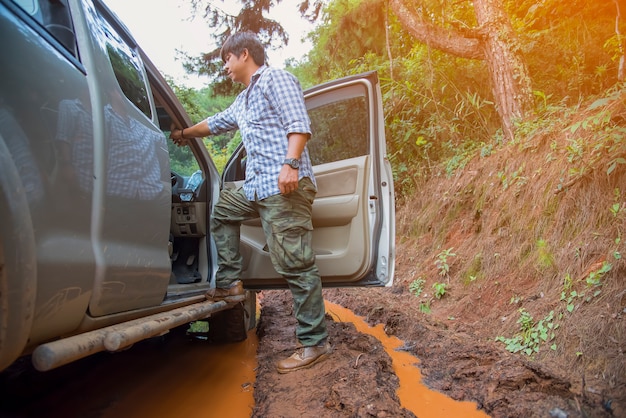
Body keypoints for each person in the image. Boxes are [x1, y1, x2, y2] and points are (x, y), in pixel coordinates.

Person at [170, 31, 330, 373]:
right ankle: (229, 283)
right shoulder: (244, 101)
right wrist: (183, 134)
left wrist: (291, 164)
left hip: (284, 185)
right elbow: (213, 124)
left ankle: (314, 343)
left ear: (244, 54)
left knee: (295, 264)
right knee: (222, 209)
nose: (225, 67)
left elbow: (298, 122)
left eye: (227, 59)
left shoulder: (276, 79)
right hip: (258, 189)